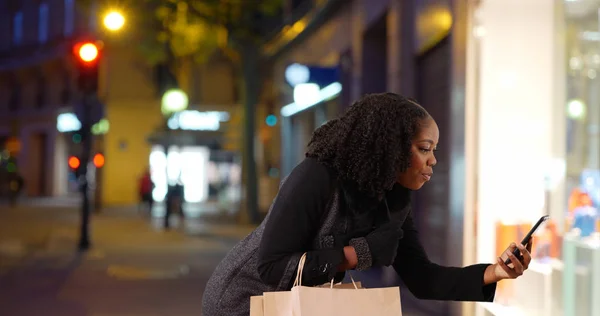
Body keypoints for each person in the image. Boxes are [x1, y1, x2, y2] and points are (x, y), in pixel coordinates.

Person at [202, 93, 533, 316]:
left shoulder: (392, 199)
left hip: (301, 304)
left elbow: (422, 278)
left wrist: (495, 273)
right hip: (246, 302)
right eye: (424, 148)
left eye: (434, 150)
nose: (433, 161)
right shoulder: (316, 177)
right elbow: (271, 266)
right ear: (391, 147)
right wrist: (358, 255)